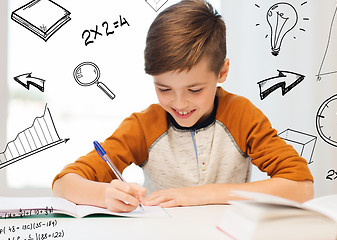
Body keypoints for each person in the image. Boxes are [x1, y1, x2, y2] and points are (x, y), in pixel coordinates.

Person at [52, 0, 314, 213]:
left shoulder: (241, 116)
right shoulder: (143, 127)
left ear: (222, 72)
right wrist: (104, 194)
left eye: (195, 90)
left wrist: (201, 195)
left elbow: (301, 188)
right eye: (164, 89)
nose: (179, 103)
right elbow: (64, 184)